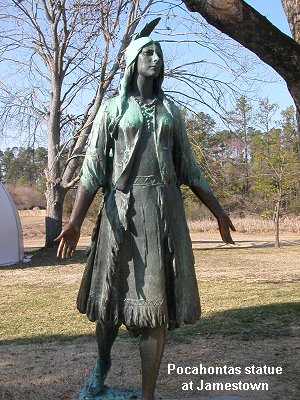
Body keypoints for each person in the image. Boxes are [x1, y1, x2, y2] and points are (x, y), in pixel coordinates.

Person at [56, 18, 235, 400]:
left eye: (158, 52)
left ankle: (149, 395)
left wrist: (218, 211)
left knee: (154, 310)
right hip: (121, 213)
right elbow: (92, 170)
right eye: (147, 52)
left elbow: (189, 166)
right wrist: (73, 222)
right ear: (133, 60)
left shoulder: (170, 110)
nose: (155, 57)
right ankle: (101, 364)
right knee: (109, 304)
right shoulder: (112, 109)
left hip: (163, 214)